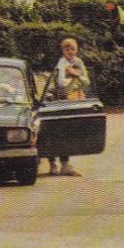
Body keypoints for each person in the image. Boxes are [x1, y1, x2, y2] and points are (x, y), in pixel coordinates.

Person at [48, 38, 90, 176]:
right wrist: (73, 76)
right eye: (67, 49)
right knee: (55, 130)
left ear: (77, 50)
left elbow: (87, 82)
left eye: (72, 48)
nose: (70, 51)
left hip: (74, 99)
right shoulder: (62, 63)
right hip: (60, 99)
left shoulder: (78, 62)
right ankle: (53, 163)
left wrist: (76, 74)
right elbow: (61, 83)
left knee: (68, 132)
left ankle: (65, 164)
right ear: (63, 51)